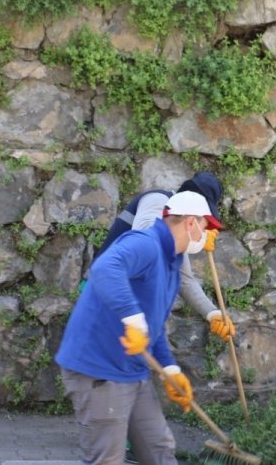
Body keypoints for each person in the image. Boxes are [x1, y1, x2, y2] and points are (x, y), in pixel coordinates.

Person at [56, 191, 218, 465]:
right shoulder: (146, 244)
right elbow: (106, 267)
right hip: (99, 370)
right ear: (191, 223)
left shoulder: (171, 262)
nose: (207, 235)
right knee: (106, 458)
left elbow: (154, 327)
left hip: (132, 371)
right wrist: (133, 319)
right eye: (206, 226)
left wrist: (170, 370)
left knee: (158, 449)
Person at [93, 173, 236, 343]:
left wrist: (213, 313)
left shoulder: (177, 233)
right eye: (204, 221)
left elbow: (184, 278)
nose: (204, 227)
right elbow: (146, 232)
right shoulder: (158, 200)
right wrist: (197, 238)